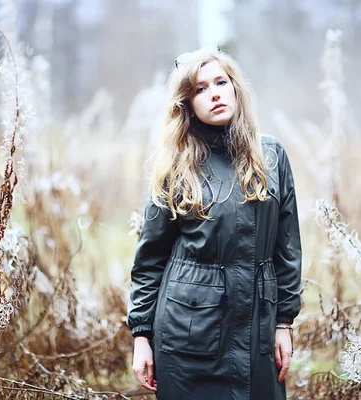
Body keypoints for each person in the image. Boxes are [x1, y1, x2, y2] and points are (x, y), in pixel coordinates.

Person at [126, 46, 302, 400]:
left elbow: (288, 248)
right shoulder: (175, 166)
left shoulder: (271, 156)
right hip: (188, 335)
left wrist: (284, 322)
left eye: (221, 82)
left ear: (236, 87)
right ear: (187, 104)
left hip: (258, 328)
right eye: (200, 89)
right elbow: (150, 260)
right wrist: (141, 336)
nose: (214, 93)